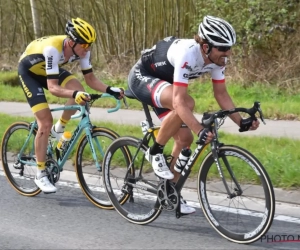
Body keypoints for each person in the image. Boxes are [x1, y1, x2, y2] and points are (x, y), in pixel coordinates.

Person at [127, 15, 259, 214]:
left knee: (185, 139)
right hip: (144, 76)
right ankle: (154, 151)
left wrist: (241, 122)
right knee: (187, 103)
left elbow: (221, 94)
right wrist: (200, 129)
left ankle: (169, 191)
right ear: (206, 46)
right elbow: (179, 102)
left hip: (166, 84)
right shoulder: (188, 54)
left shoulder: (217, 60)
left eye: (230, 47)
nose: (228, 53)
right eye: (223, 48)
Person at [18, 17, 124, 193]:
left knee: (79, 88)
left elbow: (90, 79)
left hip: (47, 68)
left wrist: (110, 89)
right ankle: (40, 173)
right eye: (84, 45)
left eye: (90, 45)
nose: (88, 49)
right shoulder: (53, 49)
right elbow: (53, 88)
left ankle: (58, 130)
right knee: (45, 122)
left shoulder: (82, 50)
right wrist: (76, 95)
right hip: (29, 72)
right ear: (71, 42)